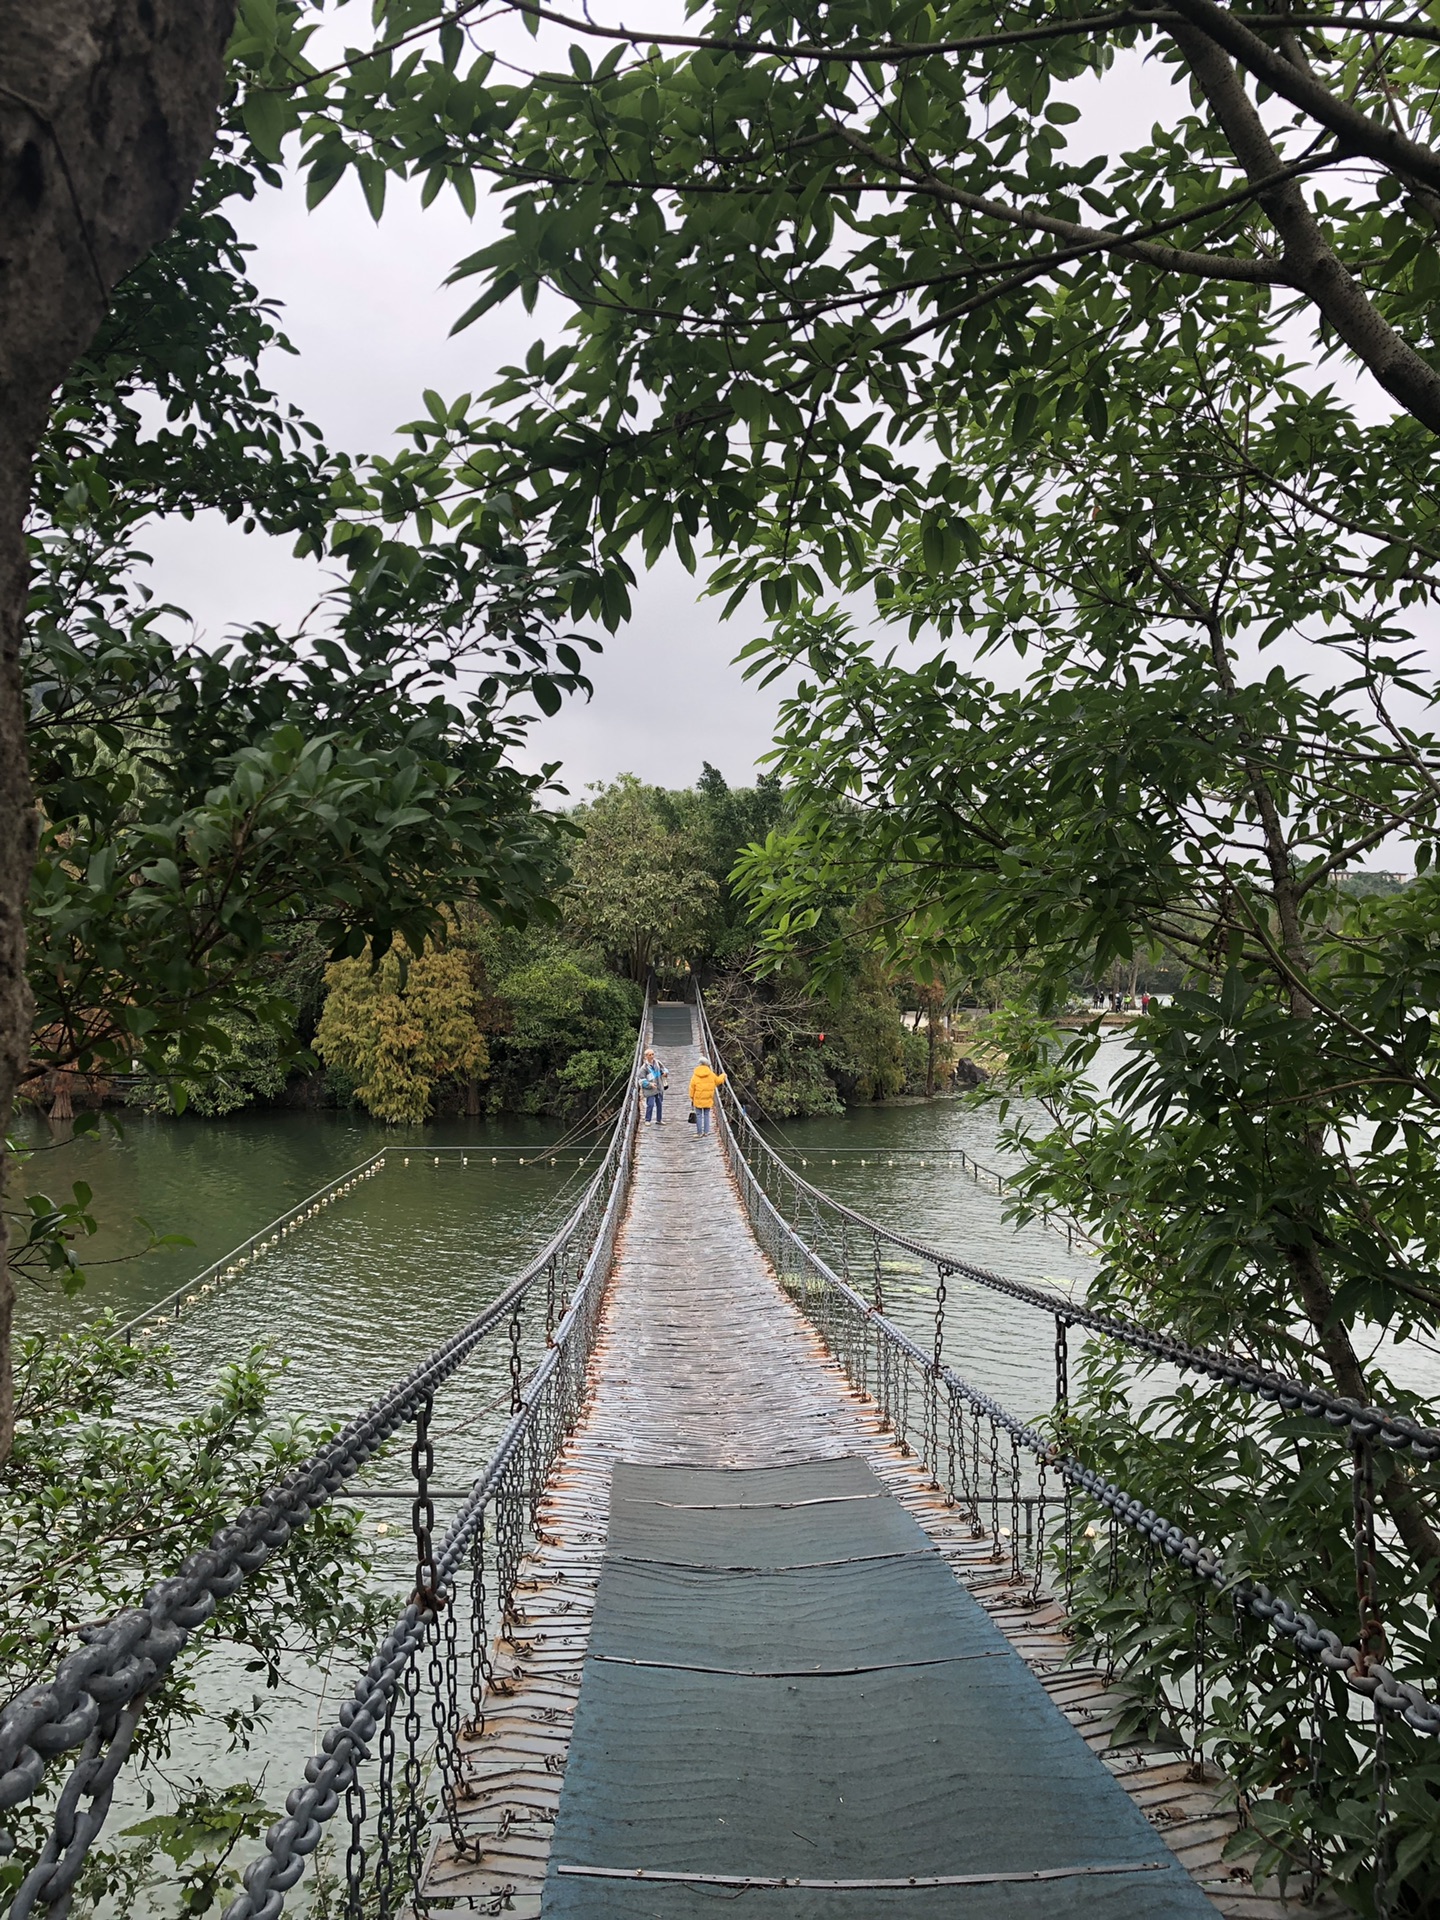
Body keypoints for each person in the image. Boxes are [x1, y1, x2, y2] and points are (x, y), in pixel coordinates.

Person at [688, 1054, 726, 1135]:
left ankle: (699, 1133)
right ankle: (706, 1132)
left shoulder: (695, 1075)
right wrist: (723, 1076)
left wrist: (692, 1097)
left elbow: (692, 1087)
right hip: (708, 1098)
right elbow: (718, 1081)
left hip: (698, 1098)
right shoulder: (711, 1074)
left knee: (698, 1115)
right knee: (706, 1114)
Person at [640, 1048, 667, 1125]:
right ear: (646, 1056)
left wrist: (665, 1073)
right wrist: (650, 1084)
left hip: (658, 1087)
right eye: (650, 1055)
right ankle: (647, 1120)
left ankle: (659, 1120)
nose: (652, 1056)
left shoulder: (657, 1063)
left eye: (653, 1054)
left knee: (659, 1104)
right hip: (650, 1089)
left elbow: (664, 1069)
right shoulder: (644, 1068)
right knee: (650, 1104)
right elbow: (641, 1080)